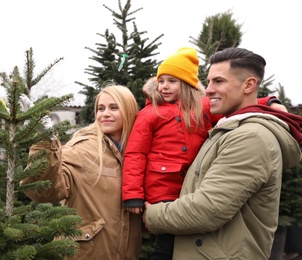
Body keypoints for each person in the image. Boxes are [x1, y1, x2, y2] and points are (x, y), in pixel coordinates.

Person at [122, 47, 283, 260]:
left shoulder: (204, 109)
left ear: (186, 84)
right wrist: (133, 194)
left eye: (172, 81)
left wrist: (268, 102)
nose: (164, 86)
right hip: (162, 189)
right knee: (165, 247)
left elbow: (240, 105)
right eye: (161, 81)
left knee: (177, 241)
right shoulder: (150, 113)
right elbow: (135, 153)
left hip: (191, 190)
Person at [20, 84, 142, 259]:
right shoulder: (83, 148)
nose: (105, 113)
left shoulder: (136, 152)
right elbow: (43, 190)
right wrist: (44, 142)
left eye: (114, 107)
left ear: (129, 111)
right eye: (101, 108)